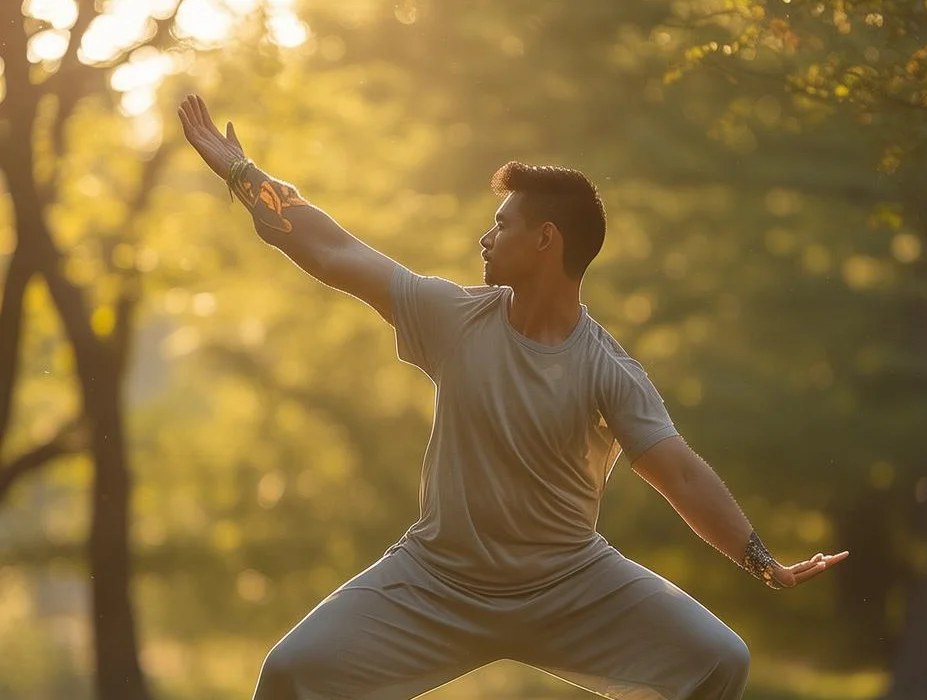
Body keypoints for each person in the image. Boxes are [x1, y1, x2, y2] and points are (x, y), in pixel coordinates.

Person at [177, 93, 849, 700]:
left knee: (720, 662)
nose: (486, 237)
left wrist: (764, 563)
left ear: (545, 240)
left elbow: (680, 474)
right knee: (291, 674)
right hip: (435, 581)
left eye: (501, 225)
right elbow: (331, 249)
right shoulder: (452, 318)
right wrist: (241, 174)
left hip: (570, 587)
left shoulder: (608, 370)